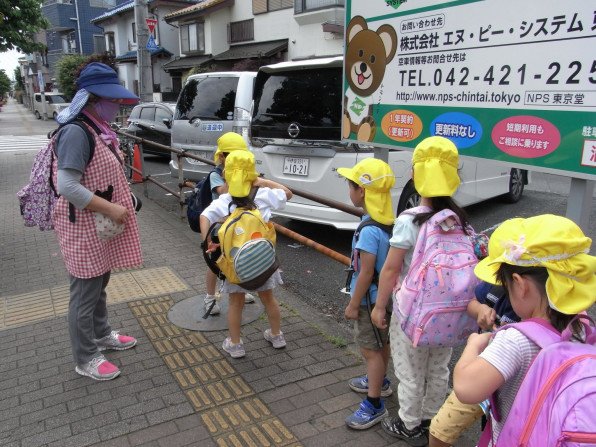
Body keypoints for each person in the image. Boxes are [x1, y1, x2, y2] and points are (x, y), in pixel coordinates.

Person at [453, 214, 596, 446]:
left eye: (507, 287)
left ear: (520, 285)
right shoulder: (583, 328)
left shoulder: (516, 340)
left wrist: (473, 345)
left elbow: (465, 389)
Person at [370, 136, 472, 446]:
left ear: (414, 176)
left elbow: (390, 269)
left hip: (412, 312)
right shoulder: (461, 221)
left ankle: (409, 423)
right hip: (450, 313)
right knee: (439, 367)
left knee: (410, 370)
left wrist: (379, 307)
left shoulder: (408, 221)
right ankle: (432, 418)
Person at [53, 62, 142, 380]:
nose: (117, 105)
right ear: (91, 99)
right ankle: (85, 357)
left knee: (99, 284)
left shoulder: (96, 129)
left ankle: (102, 335)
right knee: (84, 293)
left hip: (97, 227)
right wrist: (110, 208)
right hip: (83, 227)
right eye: (112, 99)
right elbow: (67, 186)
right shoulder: (77, 132)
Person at [199, 151, 292, 358]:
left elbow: (204, 216)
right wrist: (262, 181)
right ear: (252, 174)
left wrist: (208, 241)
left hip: (236, 264)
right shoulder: (264, 194)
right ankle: (277, 336)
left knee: (235, 303)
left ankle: (236, 344)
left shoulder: (226, 199)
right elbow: (287, 193)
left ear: (226, 174)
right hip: (263, 261)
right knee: (269, 299)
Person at [338, 158, 396, 430]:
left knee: (370, 350)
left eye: (351, 185)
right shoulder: (386, 221)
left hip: (369, 301)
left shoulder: (369, 230)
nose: (349, 191)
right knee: (381, 345)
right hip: (383, 301)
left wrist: (352, 305)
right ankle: (380, 381)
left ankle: (374, 404)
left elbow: (365, 272)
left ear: (361, 191)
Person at [203, 132, 255, 316]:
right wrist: (231, 174)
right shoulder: (216, 175)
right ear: (222, 157)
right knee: (215, 263)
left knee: (238, 258)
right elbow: (224, 191)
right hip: (219, 228)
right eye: (231, 156)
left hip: (239, 226)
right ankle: (210, 296)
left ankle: (240, 288)